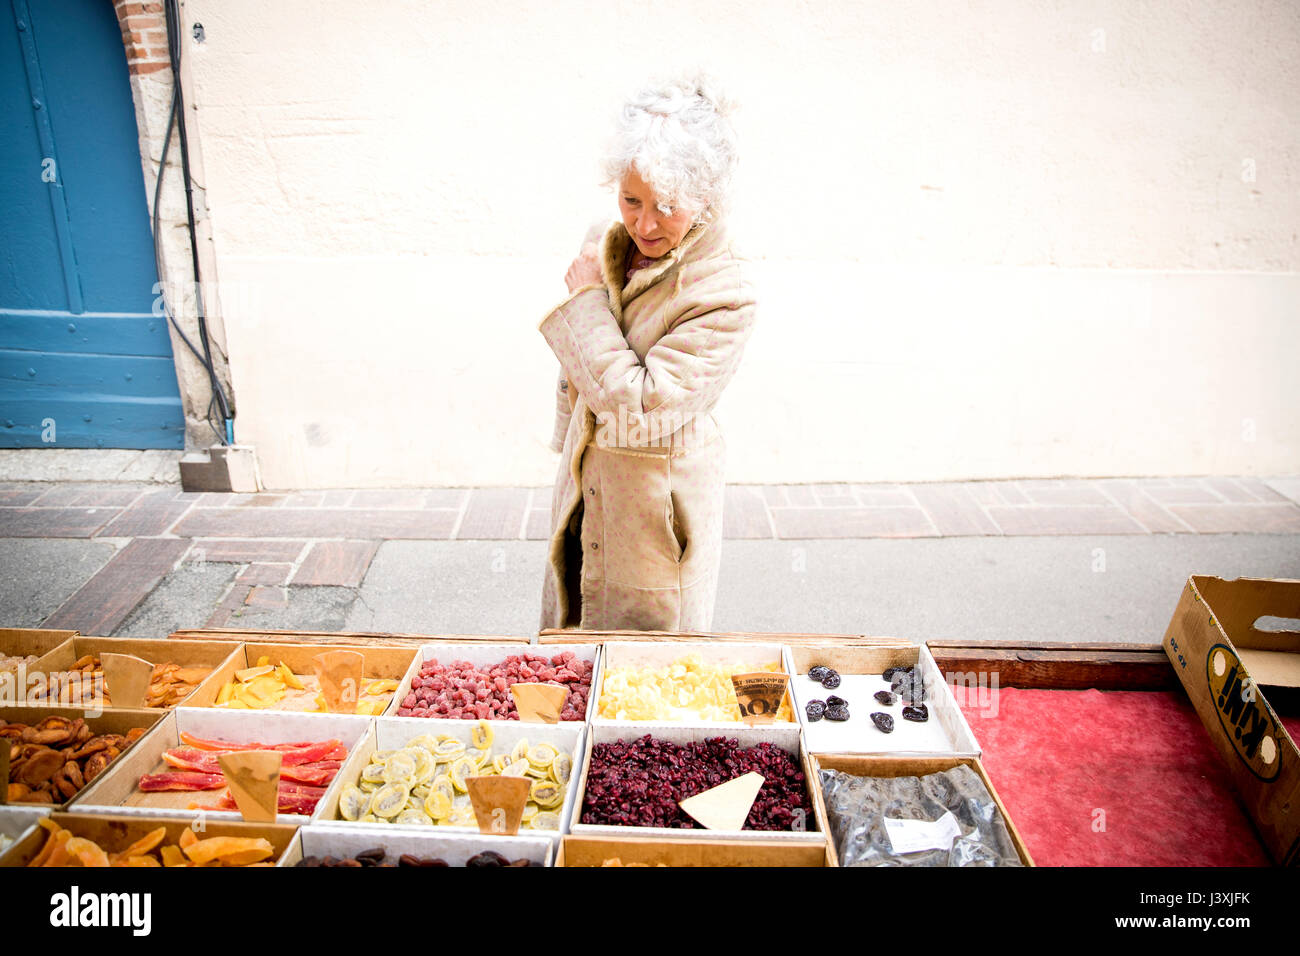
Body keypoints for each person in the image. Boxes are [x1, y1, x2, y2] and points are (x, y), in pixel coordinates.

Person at [537, 70, 758, 633]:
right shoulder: (608, 240)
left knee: (647, 681)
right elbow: (575, 370)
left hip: (656, 514)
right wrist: (568, 448)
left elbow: (642, 411)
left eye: (666, 205)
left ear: (705, 199)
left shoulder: (723, 292)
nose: (644, 222)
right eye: (630, 200)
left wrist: (585, 301)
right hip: (589, 486)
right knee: (573, 653)